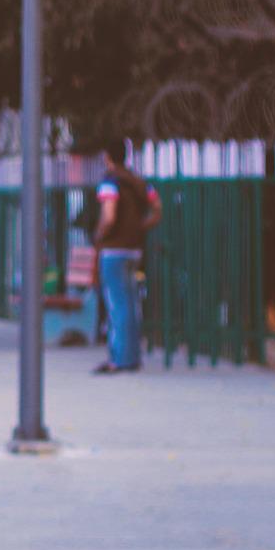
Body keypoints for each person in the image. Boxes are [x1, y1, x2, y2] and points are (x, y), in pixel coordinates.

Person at [91, 137, 160, 374]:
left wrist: (99, 234)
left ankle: (118, 359)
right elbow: (157, 209)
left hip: (113, 251)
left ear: (107, 157)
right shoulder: (139, 182)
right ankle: (132, 357)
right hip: (134, 250)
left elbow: (109, 216)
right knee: (131, 304)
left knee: (115, 304)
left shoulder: (110, 182)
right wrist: (140, 227)